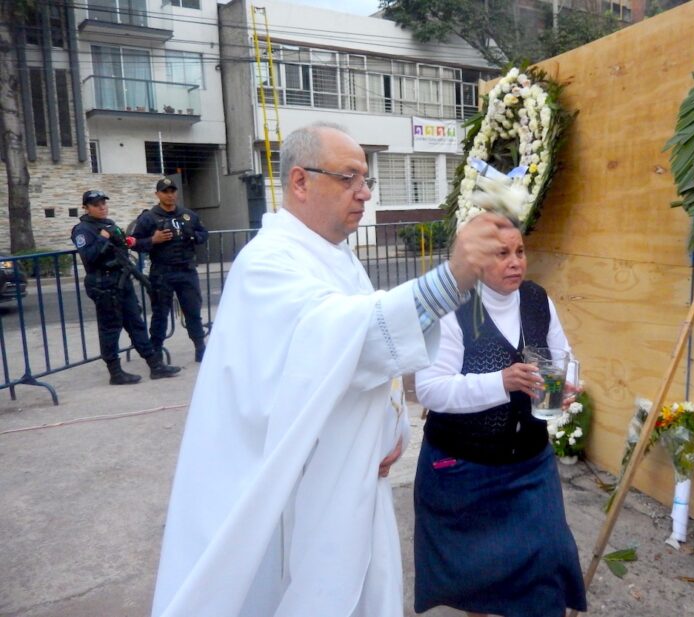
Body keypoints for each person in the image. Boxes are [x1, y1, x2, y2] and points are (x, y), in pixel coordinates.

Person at [151, 122, 514, 617]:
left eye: (367, 180)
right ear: (300, 181)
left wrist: (390, 431)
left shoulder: (336, 255)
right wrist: (450, 280)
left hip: (352, 474)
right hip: (297, 489)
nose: (364, 193)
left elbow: (369, 354)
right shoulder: (267, 263)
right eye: (349, 178)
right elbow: (343, 340)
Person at [413, 225, 588, 617]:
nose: (515, 262)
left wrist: (571, 385)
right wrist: (502, 381)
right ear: (476, 259)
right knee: (479, 582)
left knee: (547, 565)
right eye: (502, 254)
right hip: (464, 469)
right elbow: (431, 390)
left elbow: (563, 357)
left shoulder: (536, 299)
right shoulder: (455, 307)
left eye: (520, 251)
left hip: (530, 464)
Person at [70, 190, 182, 385]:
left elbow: (123, 246)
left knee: (136, 323)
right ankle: (115, 373)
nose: (102, 207)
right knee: (110, 329)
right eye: (96, 205)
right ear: (86, 208)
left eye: (104, 203)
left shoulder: (109, 224)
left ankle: (155, 366)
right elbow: (89, 256)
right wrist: (104, 237)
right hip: (103, 284)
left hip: (121, 281)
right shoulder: (82, 229)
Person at [131, 177, 209, 361]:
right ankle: (155, 354)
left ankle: (200, 348)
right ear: (157, 194)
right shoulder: (148, 218)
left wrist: (193, 237)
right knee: (160, 314)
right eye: (165, 192)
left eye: (172, 191)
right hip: (162, 272)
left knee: (193, 311)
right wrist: (153, 240)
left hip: (186, 270)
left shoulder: (188, 215)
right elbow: (134, 243)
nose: (170, 195)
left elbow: (204, 234)